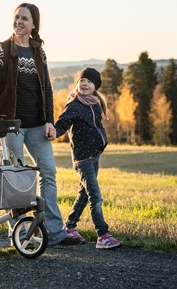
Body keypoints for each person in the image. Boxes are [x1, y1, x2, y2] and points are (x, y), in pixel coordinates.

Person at [0, 3, 81, 246]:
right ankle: (19, 234)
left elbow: (46, 89)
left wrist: (49, 120)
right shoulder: (1, 50)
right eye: (16, 17)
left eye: (24, 18)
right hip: (11, 127)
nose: (19, 21)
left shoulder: (39, 51)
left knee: (48, 174)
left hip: (38, 125)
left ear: (34, 24)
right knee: (14, 179)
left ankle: (54, 233)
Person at [49, 67, 123, 249]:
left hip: (94, 155)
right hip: (83, 159)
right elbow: (63, 123)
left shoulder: (94, 104)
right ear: (77, 83)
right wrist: (54, 132)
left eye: (89, 82)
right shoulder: (74, 104)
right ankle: (103, 235)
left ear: (95, 87)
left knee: (84, 194)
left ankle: (70, 227)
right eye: (82, 80)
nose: (84, 84)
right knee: (95, 196)